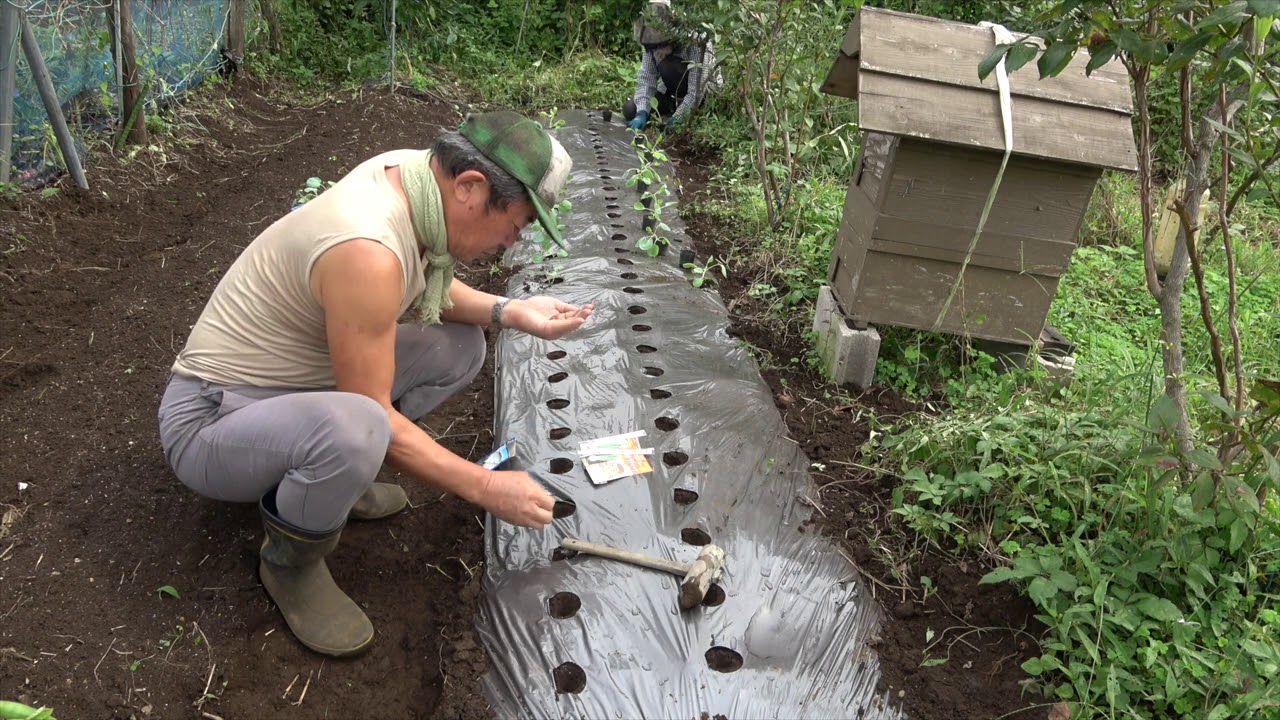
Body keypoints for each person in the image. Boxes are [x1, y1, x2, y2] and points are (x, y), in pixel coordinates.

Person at [156, 110, 594, 658]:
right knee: (360, 425)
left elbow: (418, 283)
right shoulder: (367, 246)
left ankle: (330, 475)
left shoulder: (412, 176)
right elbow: (372, 387)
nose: (511, 244)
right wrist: (484, 486)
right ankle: (290, 564)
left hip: (291, 387)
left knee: (462, 346)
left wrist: (511, 310)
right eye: (516, 224)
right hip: (212, 419)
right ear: (470, 186)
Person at [623, 0, 719, 130]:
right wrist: (641, 112)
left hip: (704, 97)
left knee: (670, 66)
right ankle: (670, 108)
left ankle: (679, 113)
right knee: (630, 109)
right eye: (653, 49)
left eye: (659, 48)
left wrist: (677, 118)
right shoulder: (650, 39)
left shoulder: (696, 41)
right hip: (671, 92)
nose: (656, 53)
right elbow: (647, 78)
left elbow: (696, 91)